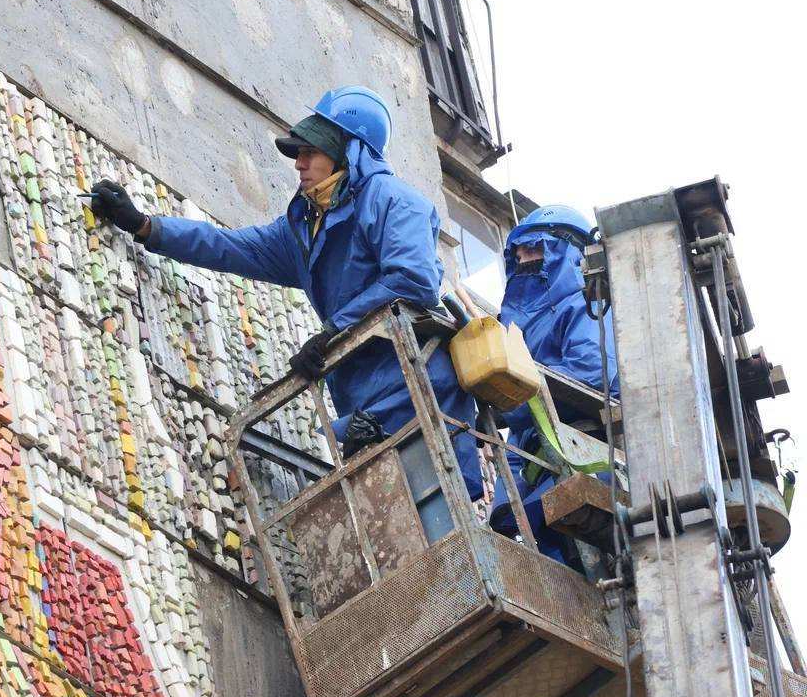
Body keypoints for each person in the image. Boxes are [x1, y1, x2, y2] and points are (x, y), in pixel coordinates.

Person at [85, 86, 482, 500]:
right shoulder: (302, 229)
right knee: (391, 521)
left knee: (434, 512)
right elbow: (231, 246)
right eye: (298, 154)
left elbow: (412, 280)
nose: (300, 164)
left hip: (416, 388)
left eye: (311, 152)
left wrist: (333, 331)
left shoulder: (395, 202)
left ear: (347, 151)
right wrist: (146, 226)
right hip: (362, 400)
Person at [487, 205, 620, 562]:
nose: (523, 259)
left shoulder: (587, 305)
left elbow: (593, 370)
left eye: (534, 249)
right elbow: (522, 432)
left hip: (589, 451)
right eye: (518, 253)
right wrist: (505, 502)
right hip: (543, 463)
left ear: (566, 252)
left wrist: (517, 386)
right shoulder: (519, 330)